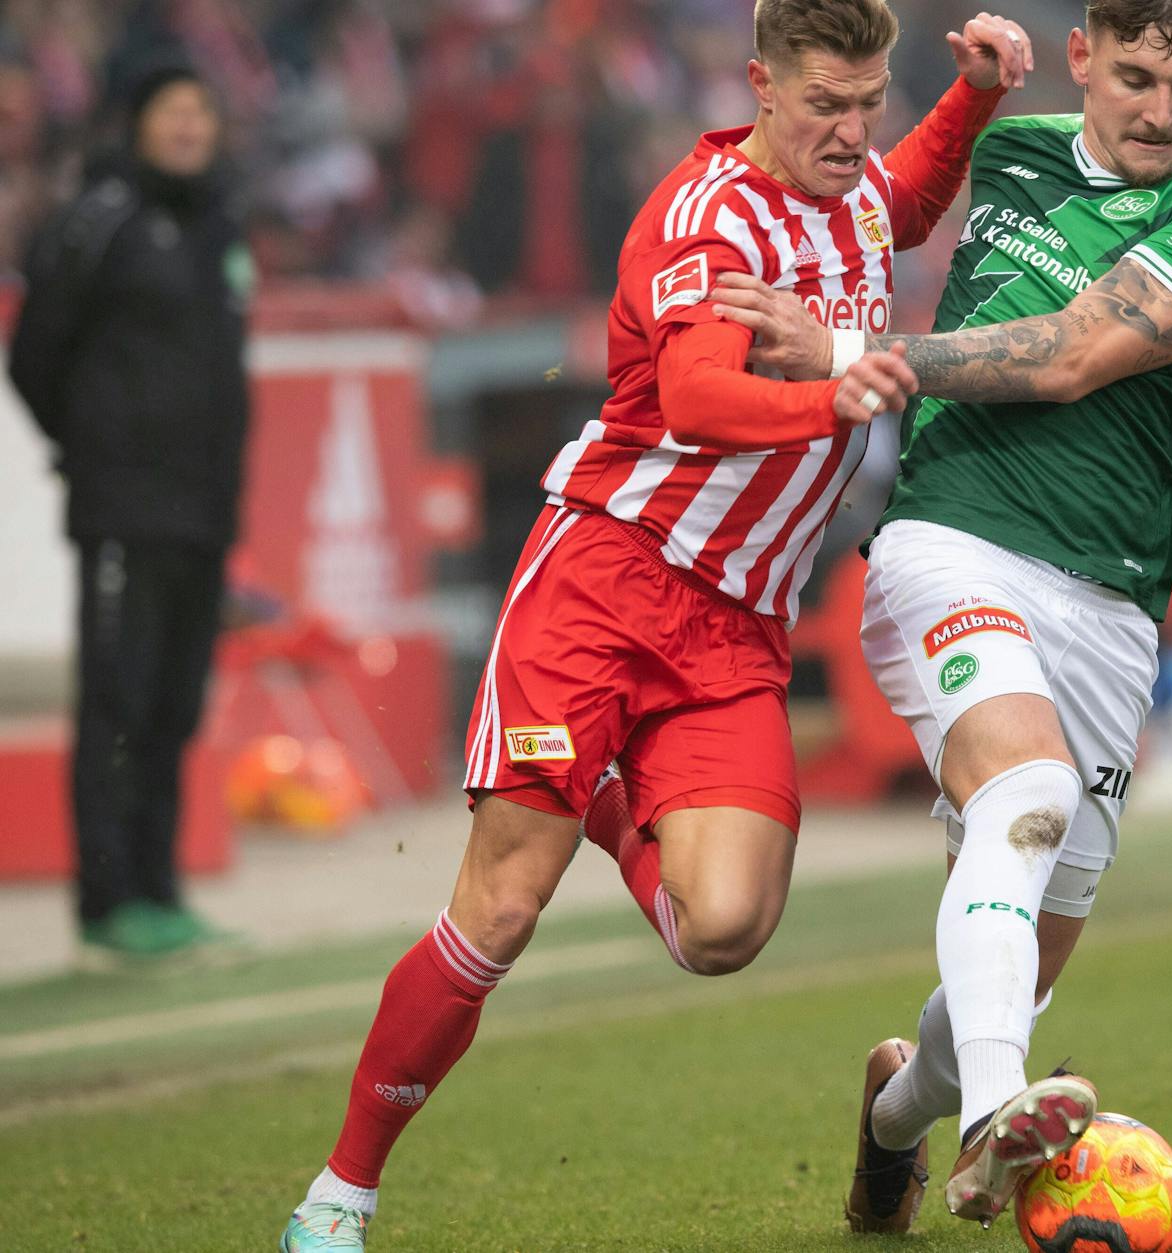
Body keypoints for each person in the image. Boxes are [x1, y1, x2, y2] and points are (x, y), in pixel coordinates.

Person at [277, 3, 1033, 1248]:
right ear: (759, 88)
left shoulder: (843, 186)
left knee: (724, 929)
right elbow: (691, 391)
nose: (851, 132)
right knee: (502, 907)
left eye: (868, 102)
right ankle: (338, 1194)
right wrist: (831, 392)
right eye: (825, 106)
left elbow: (896, 200)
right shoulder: (705, 214)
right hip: (607, 585)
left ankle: (612, 785)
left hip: (734, 627)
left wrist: (970, 100)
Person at [708, 0, 1172, 1229]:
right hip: (948, 541)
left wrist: (853, 353)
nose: (1158, 107)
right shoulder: (1012, 148)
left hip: (1112, 600)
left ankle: (894, 1114)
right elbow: (845, 184)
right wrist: (965, 87)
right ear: (1080, 55)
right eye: (1134, 74)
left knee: (1017, 961)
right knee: (1022, 798)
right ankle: (994, 1113)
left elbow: (1076, 354)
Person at [8, 63, 252, 964]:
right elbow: (34, 356)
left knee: (173, 708)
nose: (190, 127)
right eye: (173, 111)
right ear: (137, 123)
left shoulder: (222, 224)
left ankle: (159, 890)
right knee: (117, 702)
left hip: (201, 510)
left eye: (202, 111)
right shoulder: (97, 221)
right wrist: (94, 450)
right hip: (121, 505)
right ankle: (106, 905)